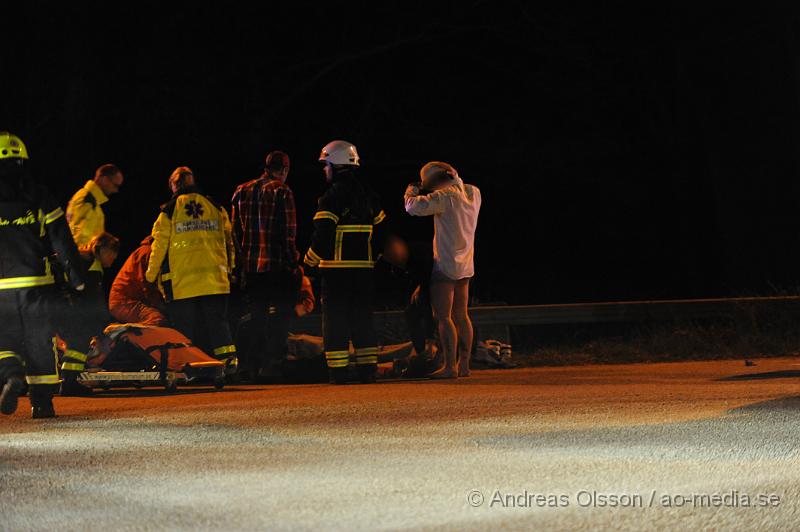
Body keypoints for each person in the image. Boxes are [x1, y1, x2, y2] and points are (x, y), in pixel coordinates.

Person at [0, 132, 86, 418]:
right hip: (36, 283)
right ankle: (42, 403)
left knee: (5, 339)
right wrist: (76, 276)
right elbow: (61, 237)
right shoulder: (39, 194)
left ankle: (12, 375)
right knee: (39, 341)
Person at [304, 140, 387, 384]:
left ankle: (338, 373)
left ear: (334, 165)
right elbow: (382, 235)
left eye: (325, 165)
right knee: (363, 319)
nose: (324, 170)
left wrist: (308, 262)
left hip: (335, 272)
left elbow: (323, 235)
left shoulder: (330, 198)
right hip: (364, 272)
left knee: (335, 322)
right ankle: (367, 370)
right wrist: (375, 259)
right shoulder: (369, 196)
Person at [145, 167, 238, 373]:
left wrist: (150, 276)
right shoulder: (215, 206)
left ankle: (185, 367)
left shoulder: (169, 212)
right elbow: (229, 241)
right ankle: (229, 364)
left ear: (174, 186)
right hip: (215, 281)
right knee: (218, 325)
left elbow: (158, 246)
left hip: (182, 284)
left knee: (184, 329)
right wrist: (231, 269)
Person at [405, 161, 481, 379]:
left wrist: (412, 189)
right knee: (462, 315)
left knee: (443, 317)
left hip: (446, 264)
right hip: (466, 263)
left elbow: (412, 207)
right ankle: (464, 364)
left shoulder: (445, 197)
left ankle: (450, 366)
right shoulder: (474, 193)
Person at [231, 151, 298, 381]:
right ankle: (272, 366)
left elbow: (235, 233)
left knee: (256, 316)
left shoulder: (241, 190)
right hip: (276, 266)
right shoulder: (282, 191)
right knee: (280, 317)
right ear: (285, 170)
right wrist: (292, 262)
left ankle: (248, 365)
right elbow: (288, 232)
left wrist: (239, 264)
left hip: (251, 268)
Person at [58, 232, 120, 395]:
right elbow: (94, 300)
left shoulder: (83, 258)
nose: (114, 259)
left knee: (74, 342)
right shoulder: (93, 265)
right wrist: (102, 331)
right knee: (78, 342)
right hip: (67, 308)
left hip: (56, 304)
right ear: (105, 250)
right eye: (113, 254)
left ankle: (67, 381)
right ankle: (69, 383)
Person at [108, 236, 168, 326]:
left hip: (128, 300)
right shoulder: (148, 253)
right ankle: (119, 333)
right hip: (124, 302)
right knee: (156, 319)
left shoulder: (150, 252)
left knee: (160, 318)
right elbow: (147, 284)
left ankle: (128, 333)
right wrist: (162, 305)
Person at [66, 163, 124, 248]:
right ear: (104, 179)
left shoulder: (86, 198)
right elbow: (80, 240)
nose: (116, 190)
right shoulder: (88, 201)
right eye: (115, 185)